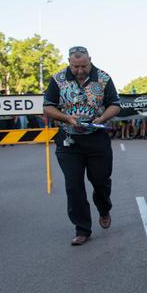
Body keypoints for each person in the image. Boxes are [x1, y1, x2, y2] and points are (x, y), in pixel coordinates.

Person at [43, 46, 120, 246]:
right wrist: (66, 118)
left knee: (100, 180)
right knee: (73, 185)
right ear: (69, 62)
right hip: (69, 141)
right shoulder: (58, 79)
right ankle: (82, 229)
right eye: (75, 66)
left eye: (83, 66)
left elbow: (115, 104)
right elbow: (47, 107)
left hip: (96, 138)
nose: (79, 70)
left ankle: (104, 208)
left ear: (90, 60)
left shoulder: (103, 78)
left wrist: (102, 117)